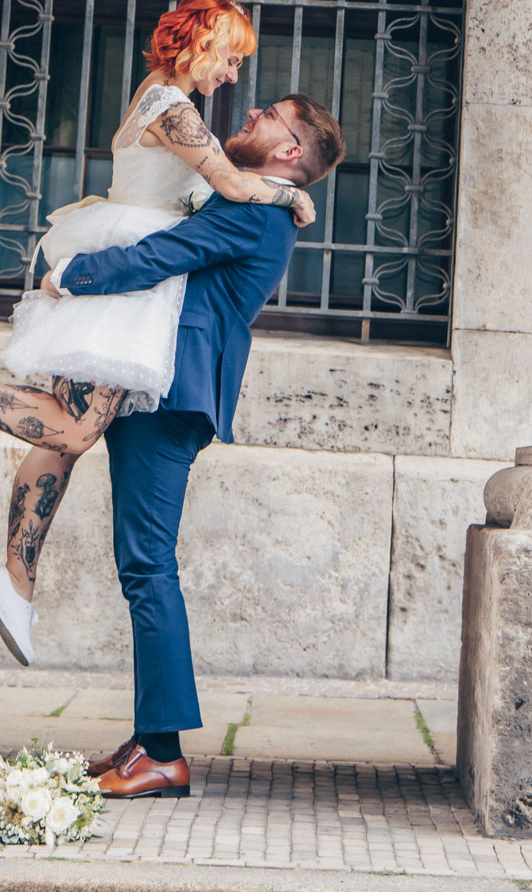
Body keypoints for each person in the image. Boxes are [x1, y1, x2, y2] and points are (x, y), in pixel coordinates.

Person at [0, 0, 317, 667]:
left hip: (128, 270)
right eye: (232, 59)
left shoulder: (167, 98)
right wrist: (293, 194)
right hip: (128, 276)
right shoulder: (171, 105)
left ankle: (16, 580)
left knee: (64, 432)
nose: (233, 77)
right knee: (74, 427)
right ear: (204, 41)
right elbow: (236, 186)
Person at [52, 90, 346, 799]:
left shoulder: (255, 209)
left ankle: (162, 753)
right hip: (165, 388)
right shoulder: (262, 200)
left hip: (171, 393)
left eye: (268, 116)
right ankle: (149, 738)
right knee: (141, 563)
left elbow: (164, 255)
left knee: (149, 566)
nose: (249, 115)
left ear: (291, 151)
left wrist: (70, 277)